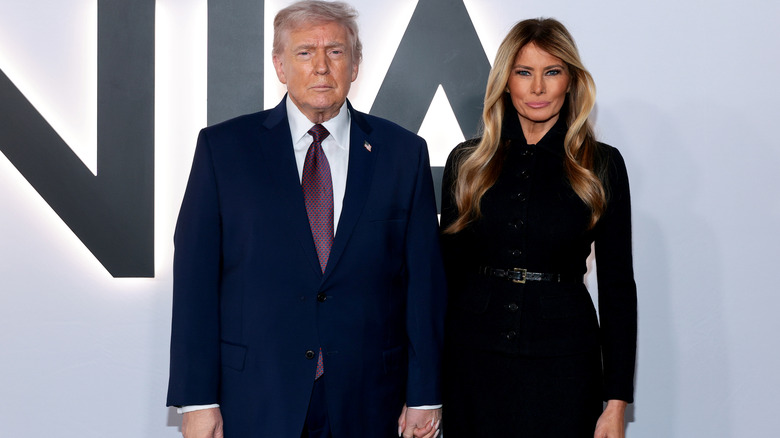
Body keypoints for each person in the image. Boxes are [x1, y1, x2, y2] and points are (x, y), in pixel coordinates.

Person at [166, 2, 445, 437]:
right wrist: (198, 399)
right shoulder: (224, 150)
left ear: (355, 66)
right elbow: (195, 283)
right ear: (279, 65)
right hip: (256, 395)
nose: (320, 67)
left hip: (370, 398)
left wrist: (425, 393)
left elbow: (423, 283)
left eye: (335, 52)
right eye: (303, 53)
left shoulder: (403, 153)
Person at [439, 18, 637, 437]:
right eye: (524, 72)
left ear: (570, 80)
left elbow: (619, 288)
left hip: (564, 367)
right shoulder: (466, 161)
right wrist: (425, 388)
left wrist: (616, 401)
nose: (538, 89)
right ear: (506, 80)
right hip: (473, 362)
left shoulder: (600, 164)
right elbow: (445, 277)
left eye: (552, 72)